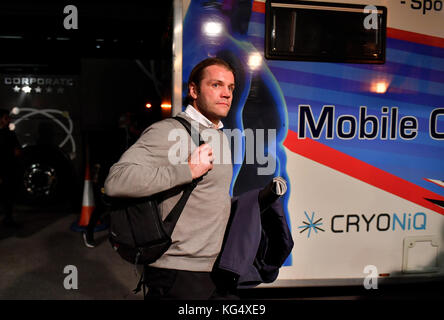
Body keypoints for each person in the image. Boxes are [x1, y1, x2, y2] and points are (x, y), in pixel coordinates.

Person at [104, 57, 235, 299]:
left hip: (211, 268)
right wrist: (186, 170)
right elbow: (116, 181)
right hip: (178, 271)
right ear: (194, 91)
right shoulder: (169, 132)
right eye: (216, 85)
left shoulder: (219, 135)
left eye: (230, 87)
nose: (226, 94)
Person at [0, 109, 22, 228]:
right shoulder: (7, 134)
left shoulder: (10, 134)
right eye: (6, 118)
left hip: (9, 169)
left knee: (8, 195)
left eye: (8, 118)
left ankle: (8, 218)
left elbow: (18, 150)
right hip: (4, 169)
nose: (8, 120)